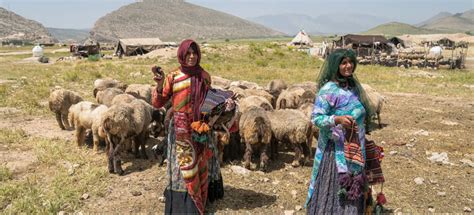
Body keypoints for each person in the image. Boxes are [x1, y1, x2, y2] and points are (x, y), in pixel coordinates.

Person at [305, 49, 375, 214]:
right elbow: (316, 119)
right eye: (343, 63)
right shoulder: (328, 90)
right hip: (335, 151)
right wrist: (336, 119)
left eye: (350, 62)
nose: (348, 66)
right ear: (336, 66)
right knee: (337, 187)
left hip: (356, 147)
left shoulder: (353, 87)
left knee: (355, 182)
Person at [151, 39, 216, 214]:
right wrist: (159, 85)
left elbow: (210, 102)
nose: (192, 57)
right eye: (188, 53)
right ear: (182, 54)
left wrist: (224, 104)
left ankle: (199, 202)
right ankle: (183, 206)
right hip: (179, 132)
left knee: (199, 164)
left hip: (199, 129)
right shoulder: (173, 77)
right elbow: (158, 103)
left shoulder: (204, 77)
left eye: (194, 53)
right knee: (181, 168)